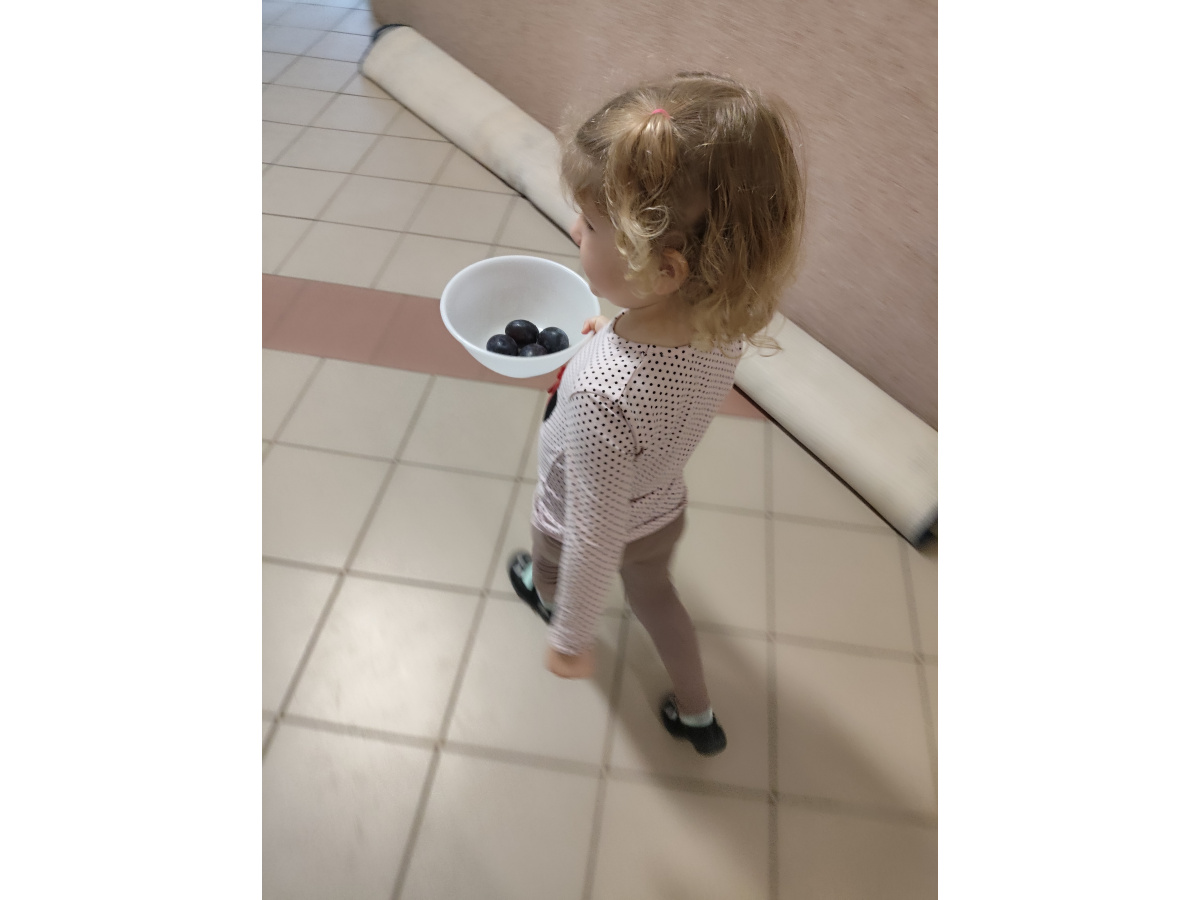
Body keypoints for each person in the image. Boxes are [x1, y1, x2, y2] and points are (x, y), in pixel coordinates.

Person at [507, 72, 805, 756]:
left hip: (578, 513)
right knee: (660, 602)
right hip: (662, 509)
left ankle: (545, 597)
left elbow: (592, 536)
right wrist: (604, 341)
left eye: (592, 225)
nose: (575, 228)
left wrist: (572, 639)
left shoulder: (600, 398)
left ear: (665, 270)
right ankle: (697, 714)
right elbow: (657, 389)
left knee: (551, 555)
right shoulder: (719, 323)